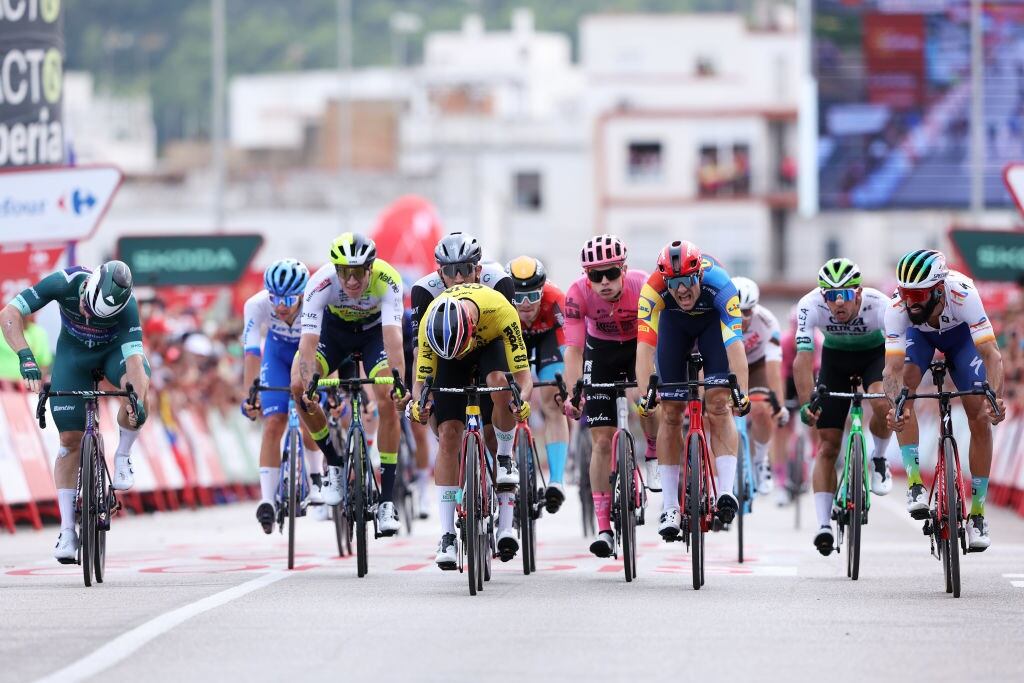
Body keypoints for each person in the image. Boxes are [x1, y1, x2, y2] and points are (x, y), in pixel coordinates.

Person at [0, 261, 150, 563]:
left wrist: (135, 399)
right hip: (73, 356)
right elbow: (9, 314)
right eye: (85, 308)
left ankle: (122, 454)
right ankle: (68, 531)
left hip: (113, 354)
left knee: (137, 392)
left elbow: (133, 360)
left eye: (97, 317)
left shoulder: (129, 306)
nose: (88, 317)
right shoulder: (63, 282)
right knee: (69, 439)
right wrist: (26, 356)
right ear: (87, 287)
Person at [883, 250, 1005, 551]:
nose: (910, 302)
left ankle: (977, 514)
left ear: (939, 290)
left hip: (961, 339)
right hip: (919, 339)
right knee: (905, 392)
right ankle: (914, 485)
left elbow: (991, 354)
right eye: (905, 293)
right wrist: (894, 405)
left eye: (918, 294)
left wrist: (995, 398)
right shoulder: (897, 308)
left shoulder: (963, 294)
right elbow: (892, 369)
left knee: (979, 413)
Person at [291, 233, 408, 536]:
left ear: (371, 268)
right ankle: (335, 463)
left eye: (359, 272)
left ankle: (386, 502)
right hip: (334, 335)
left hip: (373, 336)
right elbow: (307, 343)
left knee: (386, 396)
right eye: (345, 272)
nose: (352, 280)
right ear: (336, 270)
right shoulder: (320, 284)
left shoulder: (389, 280)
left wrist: (399, 382)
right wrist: (308, 384)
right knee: (297, 387)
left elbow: (393, 338)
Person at [408, 285, 533, 568]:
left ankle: (503, 457)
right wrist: (419, 406)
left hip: (490, 346)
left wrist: (521, 402)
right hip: (447, 356)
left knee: (500, 382)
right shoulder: (431, 321)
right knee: (448, 433)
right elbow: (421, 383)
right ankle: (447, 534)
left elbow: (524, 379)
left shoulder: (501, 311)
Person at [635, 241, 751, 542]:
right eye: (674, 283)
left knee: (719, 403)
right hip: (674, 327)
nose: (682, 290)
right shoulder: (652, 290)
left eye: (687, 281)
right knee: (671, 414)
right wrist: (645, 391)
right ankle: (671, 506)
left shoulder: (721, 286)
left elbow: (735, 345)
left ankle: (725, 491)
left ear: (699, 275)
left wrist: (743, 392)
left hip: (712, 326)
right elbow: (645, 348)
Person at [561, 234, 660, 558]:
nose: (603, 282)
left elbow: (651, 343)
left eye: (611, 273)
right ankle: (604, 528)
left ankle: (654, 449)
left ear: (624, 269)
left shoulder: (643, 286)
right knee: (602, 441)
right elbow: (574, 351)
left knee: (646, 399)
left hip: (638, 347)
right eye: (595, 275)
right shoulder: (577, 295)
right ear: (585, 276)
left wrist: (648, 387)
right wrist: (576, 391)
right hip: (600, 351)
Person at [794, 258, 894, 556]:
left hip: (874, 358)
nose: (838, 302)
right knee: (827, 447)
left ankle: (877, 458)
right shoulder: (809, 304)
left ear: (859, 293)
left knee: (880, 400)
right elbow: (802, 359)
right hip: (834, 362)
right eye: (831, 295)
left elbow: (896, 357)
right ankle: (824, 525)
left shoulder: (881, 305)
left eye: (846, 295)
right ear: (822, 295)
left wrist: (895, 394)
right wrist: (806, 404)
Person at [240, 259, 324, 532]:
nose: (280, 306)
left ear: (301, 294)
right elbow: (252, 352)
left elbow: (332, 346)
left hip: (308, 352)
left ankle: (316, 477)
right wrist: (250, 394)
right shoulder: (256, 305)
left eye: (288, 298)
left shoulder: (317, 301)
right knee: (273, 421)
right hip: (276, 354)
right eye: (275, 298)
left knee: (308, 409)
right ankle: (267, 501)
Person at [506, 255, 569, 512]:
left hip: (549, 341)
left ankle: (556, 481)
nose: (526, 304)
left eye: (532, 296)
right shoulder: (501, 303)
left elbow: (570, 344)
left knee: (552, 401)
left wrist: (568, 380)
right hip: (513, 337)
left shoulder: (556, 300)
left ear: (543, 290)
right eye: (518, 298)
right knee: (504, 399)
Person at [731, 276, 789, 495]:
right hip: (725, 367)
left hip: (756, 366)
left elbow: (774, 367)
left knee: (762, 409)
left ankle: (760, 460)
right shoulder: (715, 317)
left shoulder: (767, 322)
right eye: (737, 311)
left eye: (747, 311)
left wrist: (779, 405)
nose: (742, 317)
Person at [0, 312, 52, 381]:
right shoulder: (2, 331)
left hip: (29, 388)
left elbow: (44, 365)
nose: (24, 312)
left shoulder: (40, 333)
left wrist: (33, 382)